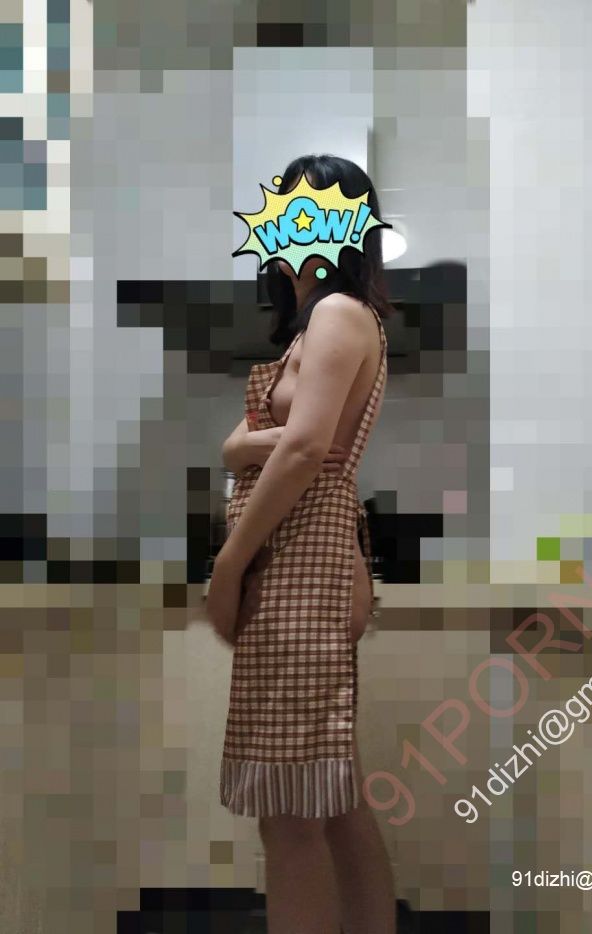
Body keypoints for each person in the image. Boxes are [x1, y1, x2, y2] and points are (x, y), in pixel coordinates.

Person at [208, 153, 397, 933]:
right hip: (309, 562)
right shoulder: (314, 328)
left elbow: (307, 446)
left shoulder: (339, 315)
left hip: (299, 569)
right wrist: (261, 444)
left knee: (288, 814)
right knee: (330, 797)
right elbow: (242, 445)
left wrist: (228, 568)